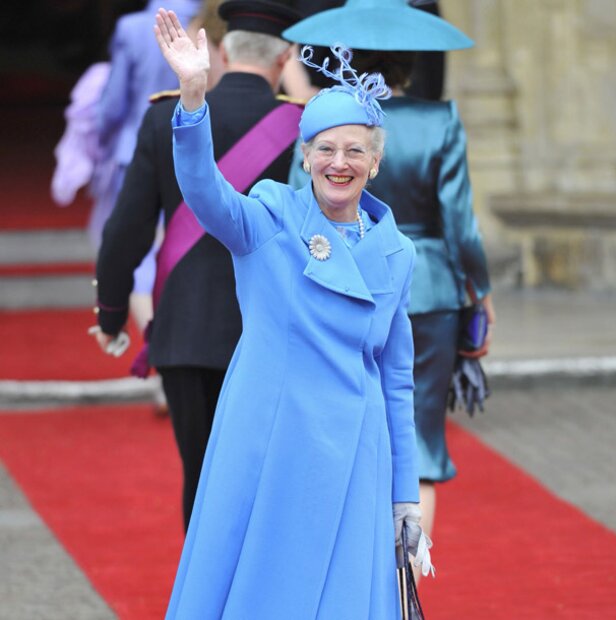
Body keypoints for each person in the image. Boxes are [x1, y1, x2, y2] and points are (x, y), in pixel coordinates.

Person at [154, 8, 432, 618]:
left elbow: (396, 376)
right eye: (326, 149)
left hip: (356, 450)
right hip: (272, 440)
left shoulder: (396, 252)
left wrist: (404, 495)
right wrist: (195, 98)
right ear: (305, 157)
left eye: (355, 150)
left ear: (375, 163)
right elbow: (204, 191)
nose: (340, 162)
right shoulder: (269, 219)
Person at [284, 0, 496, 546]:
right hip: (429, 288)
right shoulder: (440, 119)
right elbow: (461, 224)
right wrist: (481, 291)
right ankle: (406, 583)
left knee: (339, 433)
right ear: (409, 62)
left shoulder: (324, 123)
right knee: (420, 442)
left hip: (339, 284)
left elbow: (297, 208)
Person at [93, 0, 303, 531]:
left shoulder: (166, 116)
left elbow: (127, 230)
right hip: (273, 330)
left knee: (204, 478)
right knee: (270, 479)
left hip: (186, 331)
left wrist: (113, 312)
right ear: (284, 61)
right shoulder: (304, 128)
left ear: (224, 51)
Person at [96, 0, 203, 332]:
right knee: (187, 237)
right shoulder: (207, 23)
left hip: (136, 147)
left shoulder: (131, 27)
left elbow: (114, 101)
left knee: (136, 237)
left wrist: (100, 138)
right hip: (194, 140)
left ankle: (150, 331)